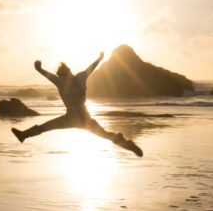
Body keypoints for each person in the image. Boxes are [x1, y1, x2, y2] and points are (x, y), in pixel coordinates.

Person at [11, 52, 143, 156]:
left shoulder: (60, 81)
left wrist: (38, 68)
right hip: (85, 118)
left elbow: (47, 75)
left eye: (59, 74)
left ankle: (23, 135)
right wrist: (100, 58)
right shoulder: (81, 77)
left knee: (44, 128)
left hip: (70, 119)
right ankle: (127, 144)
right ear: (69, 71)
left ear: (61, 74)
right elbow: (91, 68)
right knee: (106, 135)